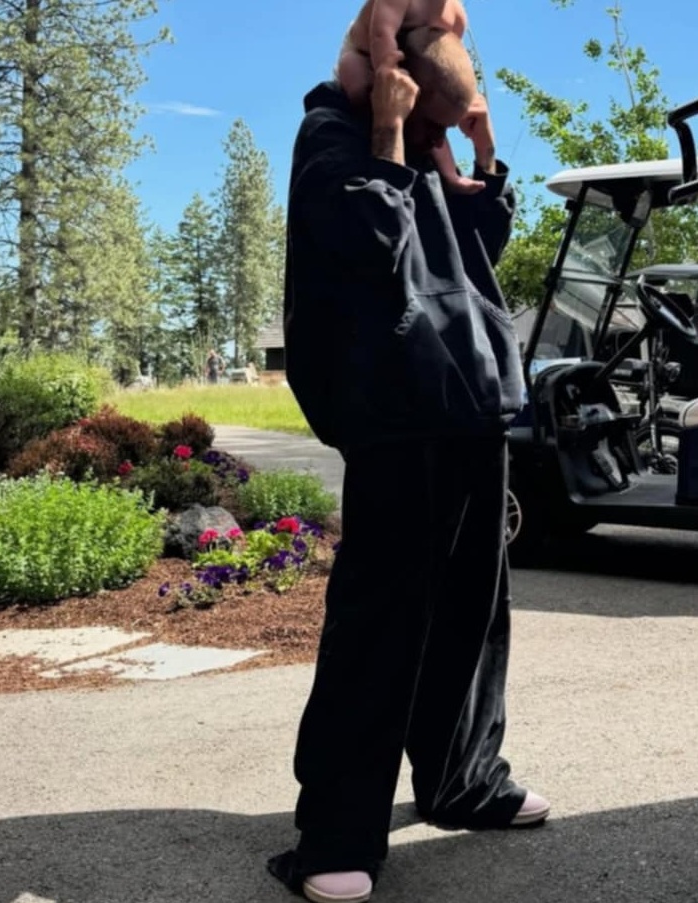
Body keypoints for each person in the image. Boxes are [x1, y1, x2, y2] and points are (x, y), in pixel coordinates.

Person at [268, 25, 549, 903]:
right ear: (386, 82)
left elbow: (481, 245)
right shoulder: (333, 133)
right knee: (380, 619)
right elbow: (365, 243)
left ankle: (463, 780)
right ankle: (337, 832)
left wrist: (484, 153)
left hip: (471, 400)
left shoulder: (427, 150)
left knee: (473, 609)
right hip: (395, 414)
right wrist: (392, 135)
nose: (434, 138)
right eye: (428, 121)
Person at [336, 0, 485, 194]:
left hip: (418, 73)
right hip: (367, 57)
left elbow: (450, 52)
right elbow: (382, 34)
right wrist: (391, 80)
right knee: (356, 82)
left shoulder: (456, 15)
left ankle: (451, 175)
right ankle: (371, 132)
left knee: (437, 118)